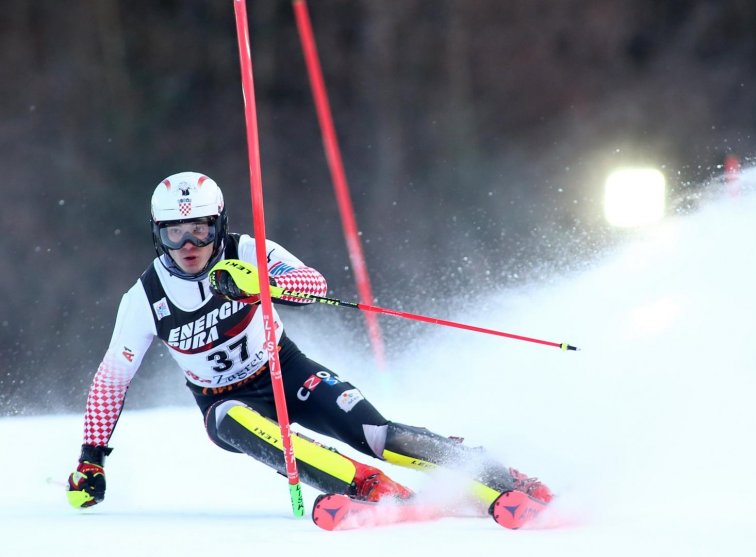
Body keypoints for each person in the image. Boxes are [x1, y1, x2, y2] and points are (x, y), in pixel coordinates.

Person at [66, 171, 552, 511]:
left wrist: (261, 284)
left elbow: (313, 284)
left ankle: (493, 473)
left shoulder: (248, 250)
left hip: (285, 369)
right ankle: (372, 490)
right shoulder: (144, 297)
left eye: (200, 229)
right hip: (222, 400)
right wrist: (92, 458)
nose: (189, 245)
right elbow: (111, 381)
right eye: (175, 234)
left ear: (219, 226)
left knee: (376, 435)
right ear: (158, 235)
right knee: (235, 420)